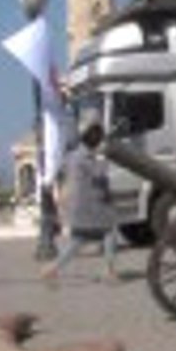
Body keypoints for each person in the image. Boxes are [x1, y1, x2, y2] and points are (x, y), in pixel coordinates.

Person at [41, 117, 118, 283]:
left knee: (78, 241)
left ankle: (52, 269)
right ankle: (109, 270)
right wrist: (105, 159)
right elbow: (99, 176)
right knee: (109, 232)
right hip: (89, 207)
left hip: (78, 207)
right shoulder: (86, 158)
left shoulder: (73, 156)